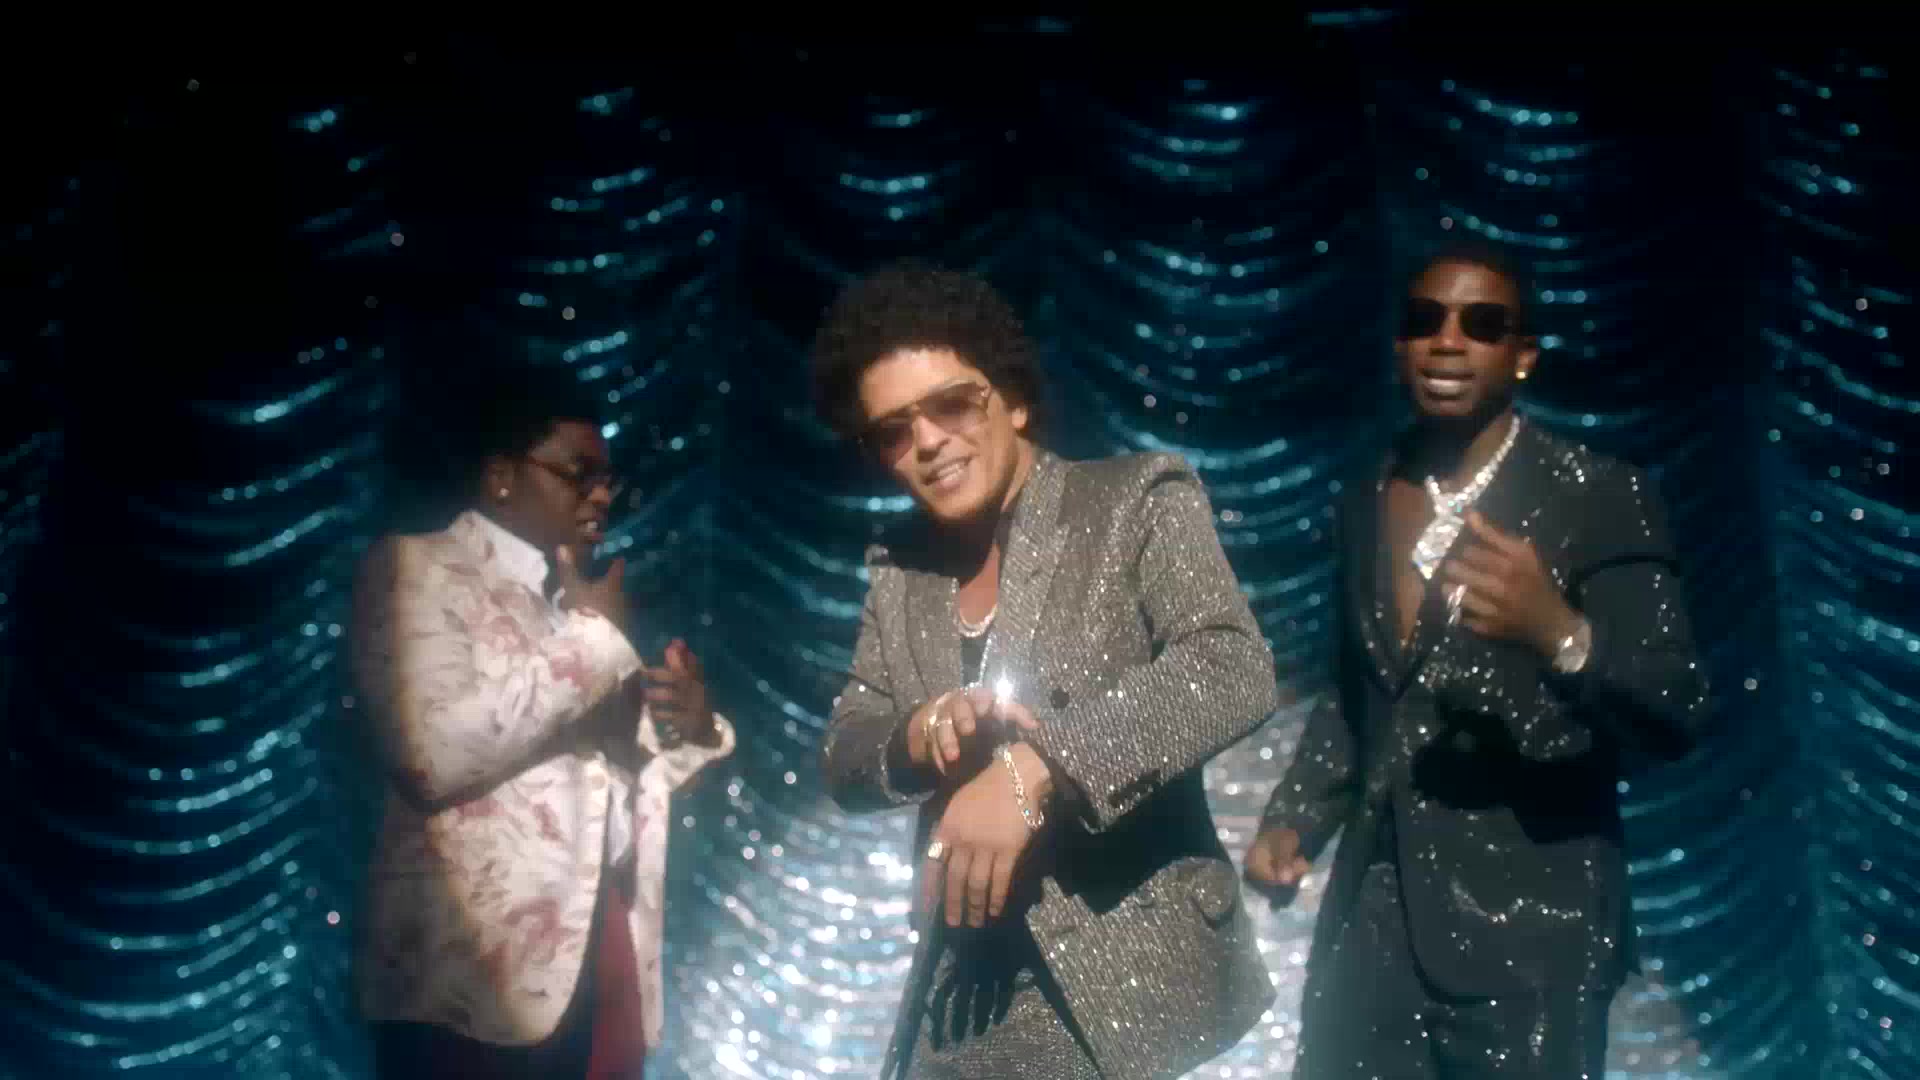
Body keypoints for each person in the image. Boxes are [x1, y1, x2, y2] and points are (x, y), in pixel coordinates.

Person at [1246, 244, 1710, 1078]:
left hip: (1535, 931)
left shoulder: (1595, 493)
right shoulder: (1367, 497)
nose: (1448, 341)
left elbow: (1674, 703)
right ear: (1400, 345)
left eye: (1482, 324)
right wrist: (1297, 819)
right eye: (1425, 321)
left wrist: (1558, 631)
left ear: (1523, 355)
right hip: (1374, 921)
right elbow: (1360, 693)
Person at [814, 261, 1278, 1080]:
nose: (928, 441)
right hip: (965, 996)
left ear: (1015, 399)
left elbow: (1230, 666)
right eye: (894, 430)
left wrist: (1037, 771)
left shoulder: (1135, 500)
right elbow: (846, 754)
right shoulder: (901, 571)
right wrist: (921, 732)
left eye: (952, 404)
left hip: (1132, 993)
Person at [350, 366, 734, 1079]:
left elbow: (601, 791)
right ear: (502, 476)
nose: (601, 496)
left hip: (601, 942)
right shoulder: (417, 567)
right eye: (578, 473)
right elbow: (429, 752)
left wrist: (690, 730)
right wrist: (593, 644)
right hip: (470, 969)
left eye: (608, 479)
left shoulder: (575, 606)